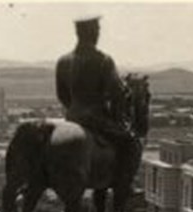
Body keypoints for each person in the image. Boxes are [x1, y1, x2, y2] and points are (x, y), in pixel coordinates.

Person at [55, 15, 135, 158]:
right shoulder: (103, 60)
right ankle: (120, 181)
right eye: (97, 29)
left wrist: (74, 108)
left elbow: (62, 95)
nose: (98, 33)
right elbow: (116, 93)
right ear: (92, 32)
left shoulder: (63, 61)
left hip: (72, 117)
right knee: (130, 144)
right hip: (96, 119)